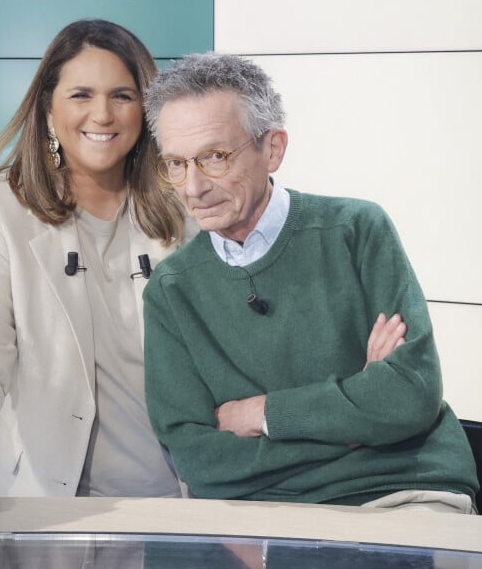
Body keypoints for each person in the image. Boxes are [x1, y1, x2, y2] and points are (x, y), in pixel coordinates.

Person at [142, 52, 479, 513]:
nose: (193, 187)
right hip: (262, 510)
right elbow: (198, 460)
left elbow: (408, 397)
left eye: (214, 157)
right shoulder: (171, 289)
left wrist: (261, 415)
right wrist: (353, 421)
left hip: (403, 490)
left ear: (273, 148)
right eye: (176, 163)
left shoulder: (356, 230)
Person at [0, 18, 195, 526]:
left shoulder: (185, 209)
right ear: (48, 108)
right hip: (44, 507)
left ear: (146, 109)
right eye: (81, 94)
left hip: (171, 502)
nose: (102, 114)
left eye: (122, 95)